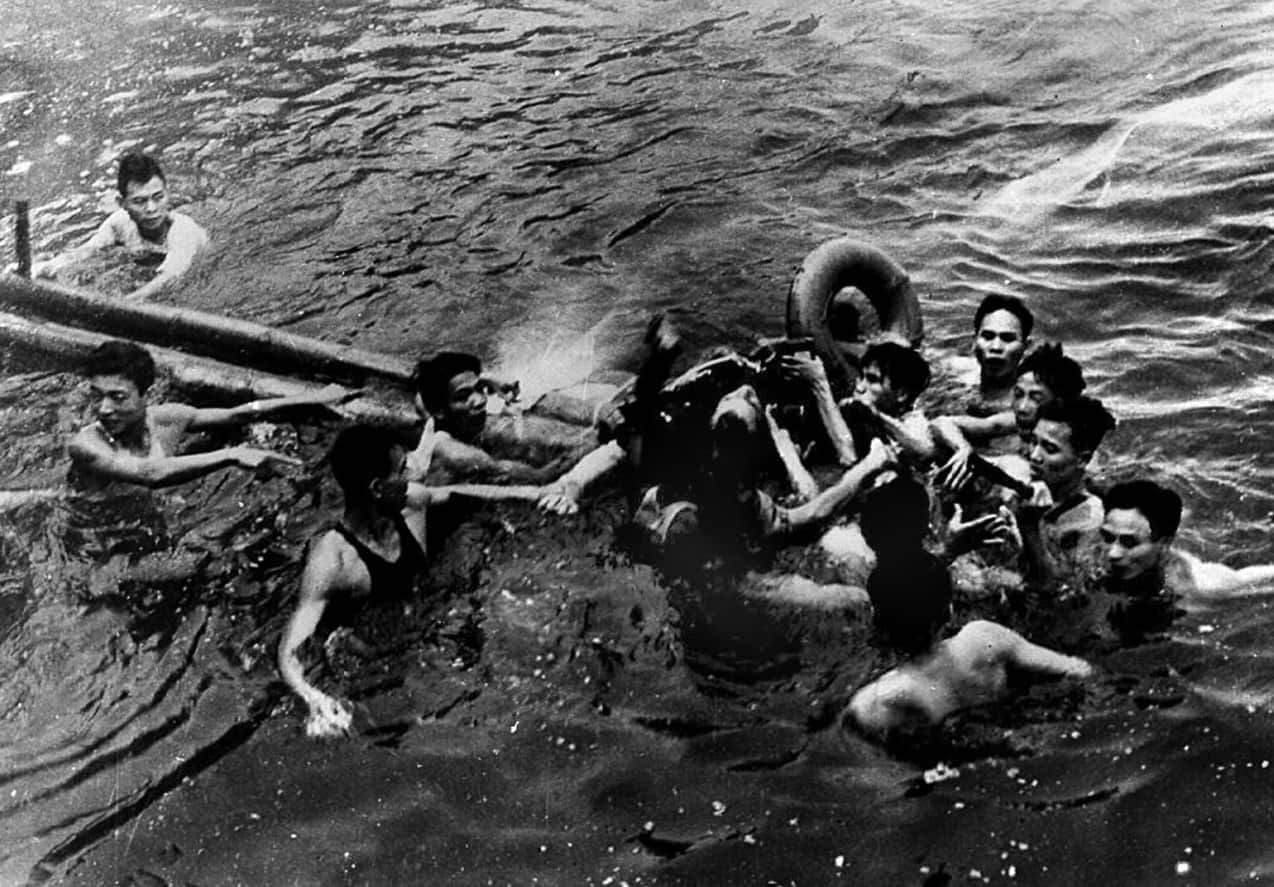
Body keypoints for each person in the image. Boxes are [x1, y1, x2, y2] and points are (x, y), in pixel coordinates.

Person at [277, 424, 546, 737]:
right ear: (378, 488)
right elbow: (290, 651)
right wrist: (314, 701)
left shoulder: (410, 502)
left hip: (423, 625)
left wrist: (535, 492)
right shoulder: (332, 562)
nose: (416, 471)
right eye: (404, 468)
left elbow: (462, 494)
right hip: (367, 659)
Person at [844, 525, 1092, 740]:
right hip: (1011, 734)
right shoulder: (983, 639)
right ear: (950, 610)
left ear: (876, 621)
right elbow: (1077, 670)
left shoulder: (877, 700)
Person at [68, 339, 347, 492]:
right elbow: (151, 474)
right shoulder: (86, 445)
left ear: (146, 394)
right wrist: (231, 454)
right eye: (97, 396)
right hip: (84, 523)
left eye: (117, 397)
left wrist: (310, 397)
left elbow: (237, 415)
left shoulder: (167, 418)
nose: (103, 409)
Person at [410, 349, 626, 515]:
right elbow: (538, 477)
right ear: (439, 410)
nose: (480, 400)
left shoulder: (435, 416)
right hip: (454, 502)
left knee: (517, 406)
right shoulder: (455, 453)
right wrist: (596, 439)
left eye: (479, 389)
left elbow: (421, 398)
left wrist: (487, 380)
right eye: (464, 396)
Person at [31, 151, 210, 300]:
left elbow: (169, 278)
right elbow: (89, 250)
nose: (151, 209)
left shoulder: (183, 231)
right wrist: (49, 266)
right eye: (139, 201)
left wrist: (122, 304)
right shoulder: (119, 223)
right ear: (122, 203)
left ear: (168, 194)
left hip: (198, 274)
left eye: (158, 197)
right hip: (151, 262)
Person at [934, 342, 1087, 487]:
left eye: (1035, 398)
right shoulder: (1013, 422)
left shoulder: (1077, 442)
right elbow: (942, 423)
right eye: (1019, 394)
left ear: (1060, 402)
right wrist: (963, 449)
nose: (1022, 407)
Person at [1101, 480, 1274, 605]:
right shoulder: (1094, 556)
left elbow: (1250, 578)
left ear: (1165, 542)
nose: (1112, 554)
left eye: (1130, 542)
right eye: (1108, 537)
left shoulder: (1205, 585)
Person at [1011, 395, 1116, 586]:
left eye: (1049, 449)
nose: (1034, 456)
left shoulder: (1091, 521)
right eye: (1033, 441)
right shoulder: (1023, 477)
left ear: (1082, 459)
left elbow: (1061, 592)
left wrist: (1029, 529)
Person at [967, 294, 1034, 416]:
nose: (996, 347)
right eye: (987, 337)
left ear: (1026, 347)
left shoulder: (1028, 404)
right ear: (974, 341)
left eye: (1008, 339)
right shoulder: (955, 381)